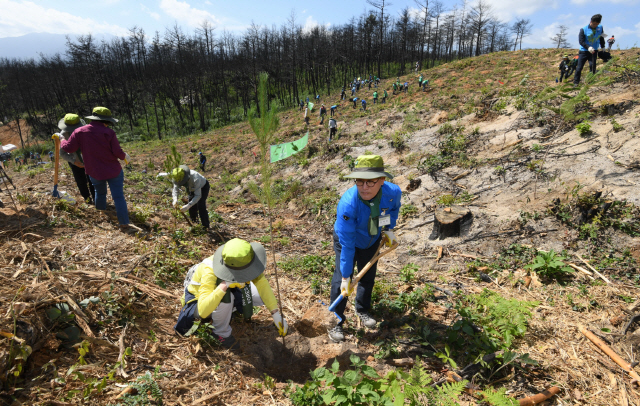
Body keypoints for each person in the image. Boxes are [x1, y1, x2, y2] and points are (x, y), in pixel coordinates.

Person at [328, 155, 401, 343]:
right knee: (341, 281)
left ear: (382, 181)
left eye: (371, 182)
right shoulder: (348, 204)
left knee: (367, 275)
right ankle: (336, 320)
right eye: (360, 182)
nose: (364, 188)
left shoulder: (393, 192)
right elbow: (347, 246)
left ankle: (362, 309)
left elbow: (392, 210)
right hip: (348, 241)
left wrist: (389, 229)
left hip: (372, 238)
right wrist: (346, 276)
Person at [174, 238, 289, 348]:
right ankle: (220, 333)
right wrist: (224, 285)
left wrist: (275, 314)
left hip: (230, 289)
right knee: (225, 299)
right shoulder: (209, 270)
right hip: (199, 300)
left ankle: (229, 310)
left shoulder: (244, 259)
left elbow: (262, 284)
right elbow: (203, 311)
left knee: (259, 295)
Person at [60, 107, 132, 230]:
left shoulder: (79, 132)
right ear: (107, 121)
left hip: (94, 170)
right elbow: (117, 152)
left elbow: (68, 148)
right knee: (118, 196)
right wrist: (125, 156)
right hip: (113, 170)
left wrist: (61, 139)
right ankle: (124, 223)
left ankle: (101, 215)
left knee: (99, 191)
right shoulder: (109, 132)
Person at [57, 114, 95, 205]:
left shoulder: (87, 131)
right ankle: (87, 200)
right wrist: (74, 161)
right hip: (75, 162)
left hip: (89, 160)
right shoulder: (63, 135)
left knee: (92, 181)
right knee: (81, 181)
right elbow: (62, 152)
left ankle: (96, 199)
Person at [171, 164, 210, 229]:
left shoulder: (195, 178)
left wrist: (188, 205)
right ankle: (194, 223)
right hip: (191, 189)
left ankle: (206, 226)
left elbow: (198, 195)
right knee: (192, 208)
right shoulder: (177, 177)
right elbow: (175, 190)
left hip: (203, 187)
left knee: (201, 205)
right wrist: (175, 199)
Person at [574, 14, 606, 87]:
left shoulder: (600, 28)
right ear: (591, 21)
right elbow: (581, 41)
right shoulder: (583, 29)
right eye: (594, 24)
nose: (595, 25)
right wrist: (588, 47)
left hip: (594, 51)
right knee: (579, 67)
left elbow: (602, 37)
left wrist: (603, 46)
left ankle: (590, 81)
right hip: (584, 51)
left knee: (592, 66)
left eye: (597, 24)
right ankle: (576, 83)